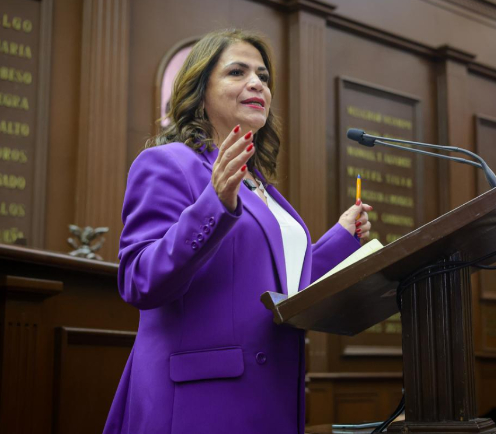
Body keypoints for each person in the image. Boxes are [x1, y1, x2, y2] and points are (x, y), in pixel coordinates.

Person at [103, 29, 373, 434]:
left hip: (272, 396)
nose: (257, 83)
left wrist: (341, 239)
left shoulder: (261, 186)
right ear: (200, 92)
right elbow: (139, 280)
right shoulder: (167, 163)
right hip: (200, 400)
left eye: (263, 76)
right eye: (237, 72)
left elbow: (280, 290)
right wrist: (213, 204)